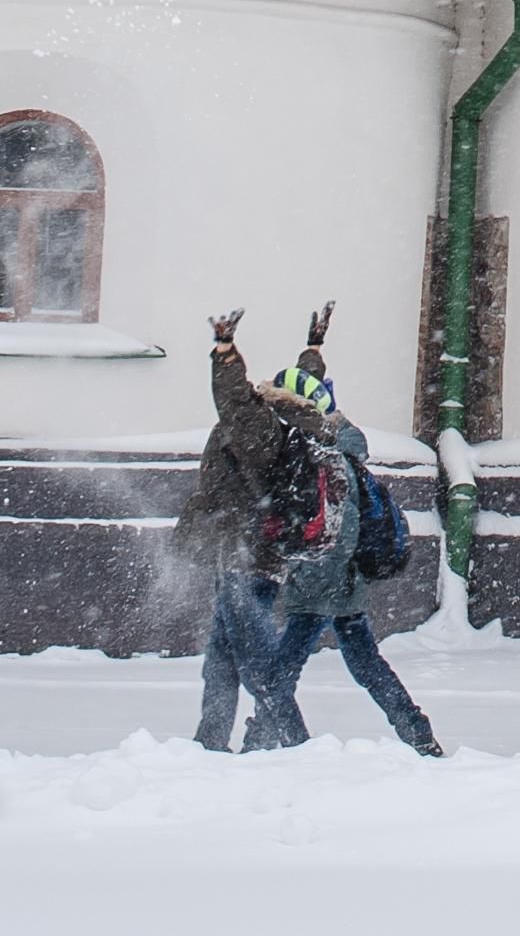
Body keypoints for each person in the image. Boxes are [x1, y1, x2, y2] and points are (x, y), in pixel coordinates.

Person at [257, 370, 447, 755]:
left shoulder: (327, 459)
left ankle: (285, 748)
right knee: (366, 666)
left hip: (323, 587)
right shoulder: (332, 445)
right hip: (344, 584)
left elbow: (339, 533)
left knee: (278, 677)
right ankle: (418, 734)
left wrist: (312, 584)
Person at [174, 312, 327, 752]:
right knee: (225, 652)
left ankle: (276, 738)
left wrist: (225, 351)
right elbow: (301, 384)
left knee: (251, 659)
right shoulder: (300, 426)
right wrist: (313, 351)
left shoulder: (259, 428)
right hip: (263, 556)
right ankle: (212, 739)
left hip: (245, 554)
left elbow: (235, 400)